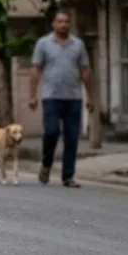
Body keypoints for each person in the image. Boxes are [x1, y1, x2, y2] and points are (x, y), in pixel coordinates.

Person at [29, 11, 94, 188]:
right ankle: (46, 163)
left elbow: (85, 70)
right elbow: (36, 69)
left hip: (74, 97)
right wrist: (32, 95)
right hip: (51, 96)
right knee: (51, 132)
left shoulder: (78, 45)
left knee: (72, 137)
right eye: (60, 21)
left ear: (69, 24)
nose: (63, 24)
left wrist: (90, 96)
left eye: (66, 21)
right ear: (54, 24)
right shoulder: (43, 43)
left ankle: (68, 176)